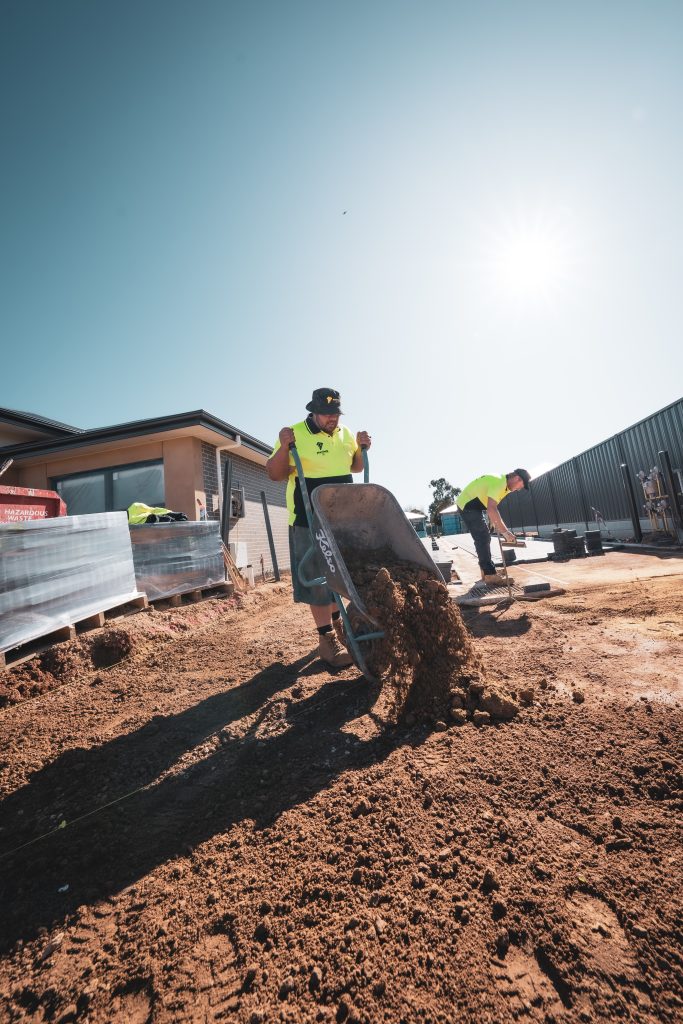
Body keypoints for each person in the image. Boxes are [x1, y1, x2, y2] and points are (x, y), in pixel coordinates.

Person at [267, 388, 372, 668]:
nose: (332, 419)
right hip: (307, 517)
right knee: (317, 579)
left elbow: (356, 466)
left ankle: (340, 626)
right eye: (327, 414)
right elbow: (274, 473)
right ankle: (326, 641)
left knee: (341, 575)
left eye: (335, 414)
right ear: (312, 412)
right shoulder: (295, 433)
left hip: (342, 518)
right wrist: (282, 445)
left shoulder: (345, 433)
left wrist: (362, 449)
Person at [456, 469, 531, 586]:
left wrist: (493, 521)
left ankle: (486, 570)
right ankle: (489, 574)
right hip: (467, 505)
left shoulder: (504, 485)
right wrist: (505, 533)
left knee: (484, 536)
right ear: (517, 478)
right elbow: (492, 509)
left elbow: (491, 506)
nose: (519, 489)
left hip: (474, 506)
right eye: (521, 485)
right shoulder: (499, 483)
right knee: (482, 537)